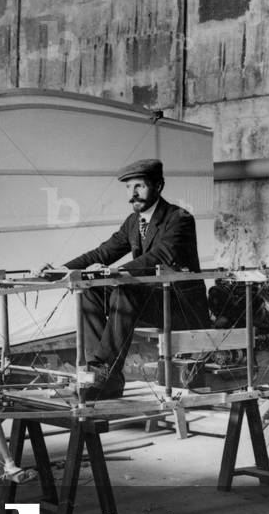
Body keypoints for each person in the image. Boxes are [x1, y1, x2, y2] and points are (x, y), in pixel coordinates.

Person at [41, 158, 210, 399]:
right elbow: (102, 252)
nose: (132, 194)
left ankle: (104, 372)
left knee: (125, 288)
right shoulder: (133, 222)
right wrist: (61, 270)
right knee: (92, 290)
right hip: (152, 300)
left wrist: (114, 273)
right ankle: (100, 373)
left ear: (159, 186)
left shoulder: (179, 218)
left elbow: (159, 255)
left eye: (139, 186)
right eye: (129, 188)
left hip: (179, 306)